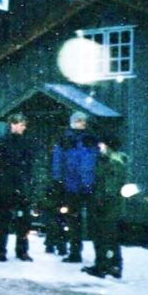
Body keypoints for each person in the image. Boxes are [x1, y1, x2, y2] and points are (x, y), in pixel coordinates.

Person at [0, 113, 35, 262]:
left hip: (20, 186)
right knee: (4, 220)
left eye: (23, 124)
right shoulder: (1, 143)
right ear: (12, 125)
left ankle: (21, 250)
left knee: (23, 221)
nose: (22, 127)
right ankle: (1, 250)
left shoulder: (27, 143)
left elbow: (31, 165)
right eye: (20, 124)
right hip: (6, 187)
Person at [51, 111, 98, 263]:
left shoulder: (91, 139)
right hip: (71, 186)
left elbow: (96, 160)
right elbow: (57, 161)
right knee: (73, 220)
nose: (81, 123)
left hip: (90, 185)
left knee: (93, 221)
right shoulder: (65, 140)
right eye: (78, 120)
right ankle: (74, 252)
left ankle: (99, 254)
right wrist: (58, 180)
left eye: (83, 120)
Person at [83, 139, 129, 279]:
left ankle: (103, 266)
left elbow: (108, 187)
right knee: (110, 237)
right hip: (112, 206)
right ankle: (114, 266)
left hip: (106, 206)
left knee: (103, 236)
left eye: (102, 144)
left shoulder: (111, 163)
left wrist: (99, 203)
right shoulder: (116, 162)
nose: (99, 146)